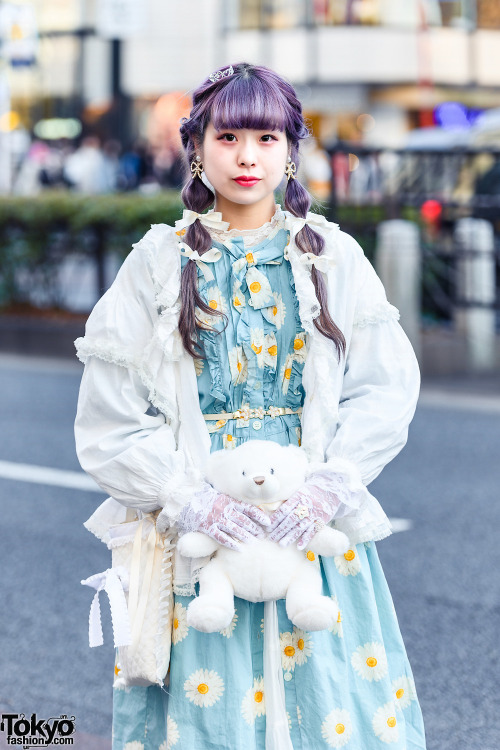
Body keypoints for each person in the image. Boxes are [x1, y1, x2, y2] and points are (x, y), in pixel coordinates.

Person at [74, 62, 427, 749]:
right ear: (197, 148)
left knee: (331, 703)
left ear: (292, 149)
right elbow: (108, 417)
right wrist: (190, 502)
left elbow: (386, 387)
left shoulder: (333, 256)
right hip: (204, 529)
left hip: (307, 522)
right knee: (211, 716)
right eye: (229, 136)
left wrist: (330, 488)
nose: (246, 157)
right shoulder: (156, 261)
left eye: (266, 139)